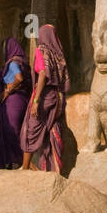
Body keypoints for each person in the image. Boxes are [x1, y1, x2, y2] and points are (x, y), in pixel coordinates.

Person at [20, 24, 69, 173]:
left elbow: (42, 74)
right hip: (58, 97)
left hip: (45, 97)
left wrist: (36, 100)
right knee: (50, 129)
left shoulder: (42, 50)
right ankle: (52, 167)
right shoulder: (58, 54)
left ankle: (26, 166)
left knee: (32, 128)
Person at [0, 36, 31, 170]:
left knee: (11, 130)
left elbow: (19, 78)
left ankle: (21, 161)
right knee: (17, 130)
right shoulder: (24, 62)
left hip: (13, 101)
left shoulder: (13, 63)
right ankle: (13, 160)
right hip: (22, 100)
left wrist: (9, 89)